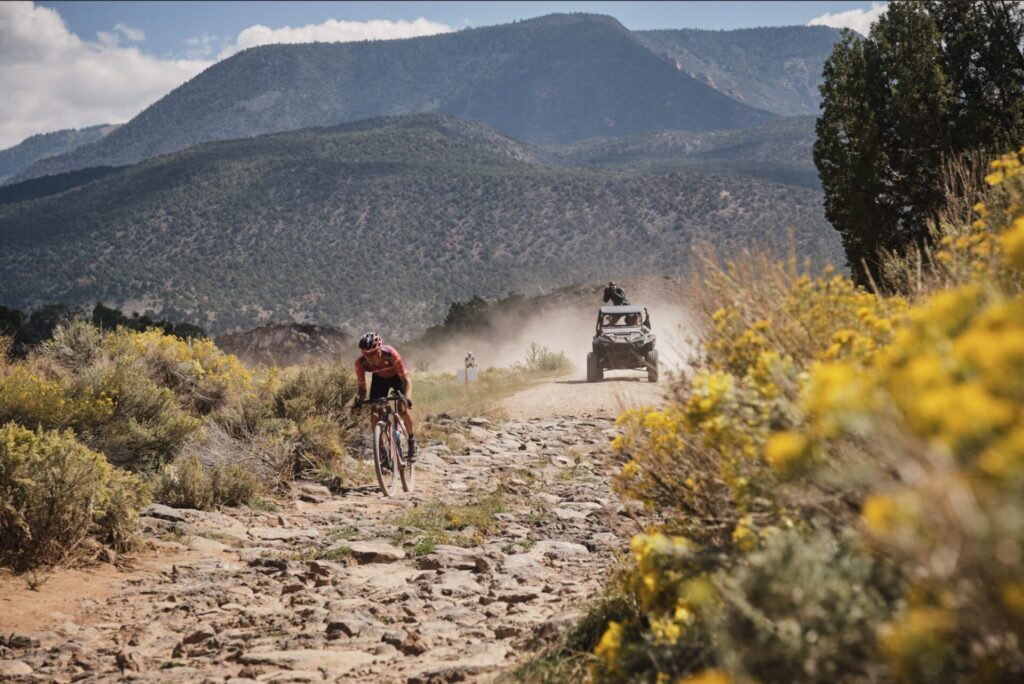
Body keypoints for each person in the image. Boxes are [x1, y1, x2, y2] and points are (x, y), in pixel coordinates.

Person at [351, 332, 416, 462]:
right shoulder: (360, 363)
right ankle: (382, 451)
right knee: (374, 414)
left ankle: (412, 441)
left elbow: (406, 380)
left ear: (380, 349)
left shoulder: (391, 355)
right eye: (366, 355)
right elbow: (362, 389)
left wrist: (407, 398)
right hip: (379, 380)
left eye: (373, 353)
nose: (370, 358)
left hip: (397, 379)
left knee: (403, 410)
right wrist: (358, 402)